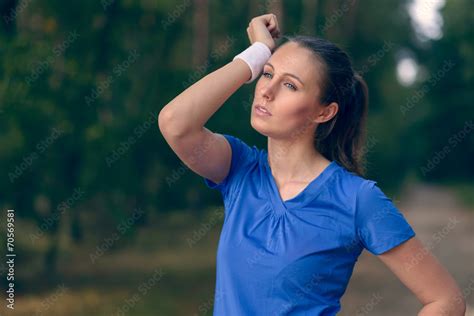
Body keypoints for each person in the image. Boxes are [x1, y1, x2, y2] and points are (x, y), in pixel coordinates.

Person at [158, 13, 466, 316]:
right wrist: (257, 53)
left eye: (290, 85)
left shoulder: (357, 198)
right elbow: (175, 123)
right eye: (267, 74)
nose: (266, 90)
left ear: (324, 112)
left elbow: (446, 301)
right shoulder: (239, 169)